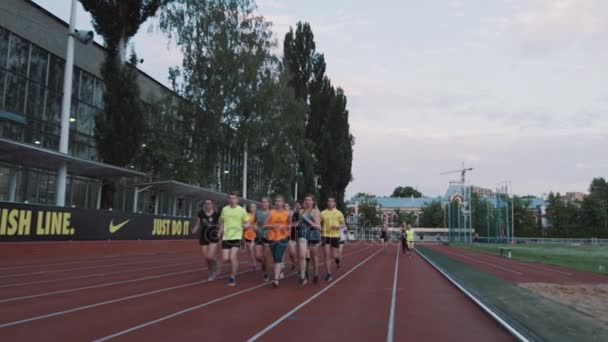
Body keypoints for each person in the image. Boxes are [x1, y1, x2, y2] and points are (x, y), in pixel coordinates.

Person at [219, 192, 250, 286]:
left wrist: (245, 225)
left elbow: (247, 222)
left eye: (234, 198)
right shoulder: (224, 209)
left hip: (236, 236)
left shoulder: (241, 210)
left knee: (232, 257)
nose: (232, 200)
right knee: (225, 258)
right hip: (226, 237)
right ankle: (235, 263)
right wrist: (219, 232)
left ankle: (232, 277)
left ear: (237, 199)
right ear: (228, 199)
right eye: (230, 198)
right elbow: (221, 222)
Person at [264, 195, 291, 288]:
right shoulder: (271, 213)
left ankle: (276, 279)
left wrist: (286, 228)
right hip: (272, 238)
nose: (278, 203)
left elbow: (291, 225)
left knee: (278, 257)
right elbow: (264, 226)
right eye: (276, 201)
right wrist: (272, 226)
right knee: (275, 258)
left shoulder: (287, 214)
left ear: (283, 203)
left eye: (280, 201)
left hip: (283, 238)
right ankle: (279, 272)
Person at [191, 199, 221, 280]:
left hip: (213, 237)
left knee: (210, 256)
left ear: (212, 205)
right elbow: (197, 224)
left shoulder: (216, 214)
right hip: (203, 237)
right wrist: (195, 229)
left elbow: (220, 225)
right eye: (206, 203)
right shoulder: (201, 213)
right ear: (204, 205)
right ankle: (211, 271)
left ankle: (215, 268)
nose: (207, 205)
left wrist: (219, 232)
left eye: (209, 203)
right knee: (206, 258)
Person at [298, 194, 322, 285]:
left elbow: (319, 227)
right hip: (303, 234)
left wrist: (307, 220)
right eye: (306, 200)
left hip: (313, 235)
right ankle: (303, 276)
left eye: (309, 200)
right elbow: (300, 223)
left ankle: (315, 273)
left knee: (314, 256)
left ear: (313, 202)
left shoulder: (315, 212)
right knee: (302, 254)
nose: (308, 202)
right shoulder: (301, 211)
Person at [320, 197, 345, 282]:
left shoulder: (338, 213)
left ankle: (337, 261)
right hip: (325, 235)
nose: (330, 203)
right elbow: (318, 223)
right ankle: (328, 274)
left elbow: (343, 224)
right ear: (327, 203)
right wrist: (320, 228)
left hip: (335, 236)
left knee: (334, 256)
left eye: (332, 201)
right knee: (326, 255)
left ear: (334, 203)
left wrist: (338, 226)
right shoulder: (323, 213)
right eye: (329, 201)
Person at [254, 197, 272, 281]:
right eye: (262, 202)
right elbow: (255, 222)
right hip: (258, 236)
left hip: (268, 237)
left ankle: (266, 273)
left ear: (269, 203)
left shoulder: (271, 213)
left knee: (265, 255)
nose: (264, 204)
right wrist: (255, 227)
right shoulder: (257, 212)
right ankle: (264, 264)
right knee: (258, 256)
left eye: (266, 202)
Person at [287, 201, 301, 272]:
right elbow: (290, 223)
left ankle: (302, 267)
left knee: (301, 252)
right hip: (293, 234)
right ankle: (294, 262)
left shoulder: (304, 213)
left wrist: (294, 224)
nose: (297, 206)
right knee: (291, 252)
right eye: (296, 205)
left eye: (298, 205)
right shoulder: (294, 214)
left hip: (301, 234)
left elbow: (298, 223)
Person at [244, 203, 258, 272]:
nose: (252, 208)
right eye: (251, 207)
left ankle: (254, 264)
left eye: (254, 206)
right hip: (247, 234)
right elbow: (244, 224)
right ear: (249, 208)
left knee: (251, 249)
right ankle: (252, 264)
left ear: (256, 208)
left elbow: (258, 226)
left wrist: (254, 227)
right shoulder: (247, 215)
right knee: (249, 251)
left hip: (255, 235)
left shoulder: (257, 216)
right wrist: (246, 225)